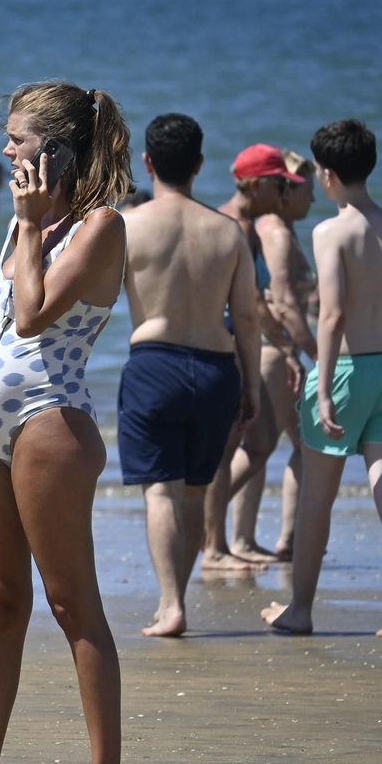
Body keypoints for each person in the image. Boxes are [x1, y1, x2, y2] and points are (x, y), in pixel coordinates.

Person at [0, 81, 131, 764]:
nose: (6, 150)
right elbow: (2, 321)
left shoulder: (100, 225)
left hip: (51, 421)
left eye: (18, 140)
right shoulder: (41, 221)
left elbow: (31, 315)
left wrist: (24, 225)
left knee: (70, 602)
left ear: (54, 149)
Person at [261, 119, 382, 638]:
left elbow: (329, 316)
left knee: (317, 498)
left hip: (348, 372)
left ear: (328, 175)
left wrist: (327, 386)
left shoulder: (330, 231)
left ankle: (301, 610)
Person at [118, 115, 260, 637]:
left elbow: (95, 300)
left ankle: (170, 604)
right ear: (200, 165)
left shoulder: (130, 226)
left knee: (160, 493)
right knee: (196, 492)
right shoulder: (229, 231)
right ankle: (176, 603)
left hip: (154, 364)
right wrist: (254, 385)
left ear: (148, 163)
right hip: (217, 369)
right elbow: (247, 316)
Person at [201, 144, 306, 572]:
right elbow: (249, 303)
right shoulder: (237, 226)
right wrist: (286, 346)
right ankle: (213, 547)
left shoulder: (244, 224)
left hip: (235, 341)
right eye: (280, 184)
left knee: (254, 443)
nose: (284, 193)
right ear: (258, 184)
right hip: (228, 343)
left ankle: (218, 540)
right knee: (227, 451)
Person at [231, 149, 320, 562]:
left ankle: (262, 539)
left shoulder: (276, 229)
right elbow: (281, 303)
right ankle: (207, 525)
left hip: (275, 350)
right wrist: (318, 354)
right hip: (274, 352)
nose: (312, 200)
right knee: (262, 448)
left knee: (281, 447)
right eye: (306, 191)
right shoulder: (277, 233)